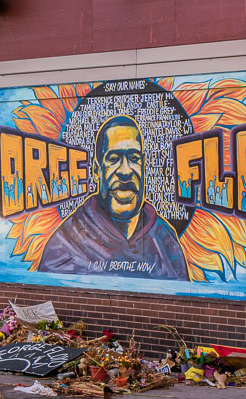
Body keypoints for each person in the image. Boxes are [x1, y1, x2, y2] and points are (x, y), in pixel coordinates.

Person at [38, 115, 188, 280]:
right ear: (96, 170)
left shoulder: (166, 241)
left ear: (144, 166)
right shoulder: (65, 244)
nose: (125, 171)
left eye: (133, 158)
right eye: (114, 159)